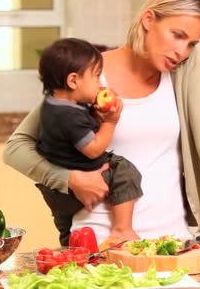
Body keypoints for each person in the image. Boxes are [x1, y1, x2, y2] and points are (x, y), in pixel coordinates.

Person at [4, 0, 200, 246]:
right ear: (149, 19)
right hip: (101, 243)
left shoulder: (183, 69)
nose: (182, 51)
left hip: (173, 241)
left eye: (192, 43)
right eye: (177, 35)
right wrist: (68, 179)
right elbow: (16, 148)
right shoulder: (89, 76)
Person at [34, 38, 143, 246]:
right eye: (95, 76)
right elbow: (93, 150)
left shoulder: (52, 104)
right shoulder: (70, 116)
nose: (101, 84)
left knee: (67, 231)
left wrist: (93, 111)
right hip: (83, 178)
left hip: (56, 192)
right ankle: (123, 229)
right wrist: (110, 122)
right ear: (73, 81)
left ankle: (68, 246)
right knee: (125, 169)